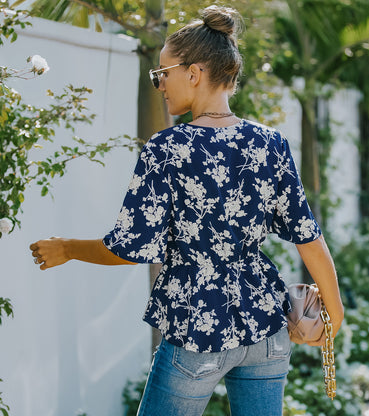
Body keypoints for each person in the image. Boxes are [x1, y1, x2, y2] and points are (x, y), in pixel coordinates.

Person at [29, 5, 344, 416]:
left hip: (196, 329)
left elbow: (129, 248)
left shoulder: (167, 150)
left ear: (193, 73)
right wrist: (334, 318)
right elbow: (309, 239)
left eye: (163, 73)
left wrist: (68, 248)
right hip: (266, 329)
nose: (160, 84)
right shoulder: (271, 144)